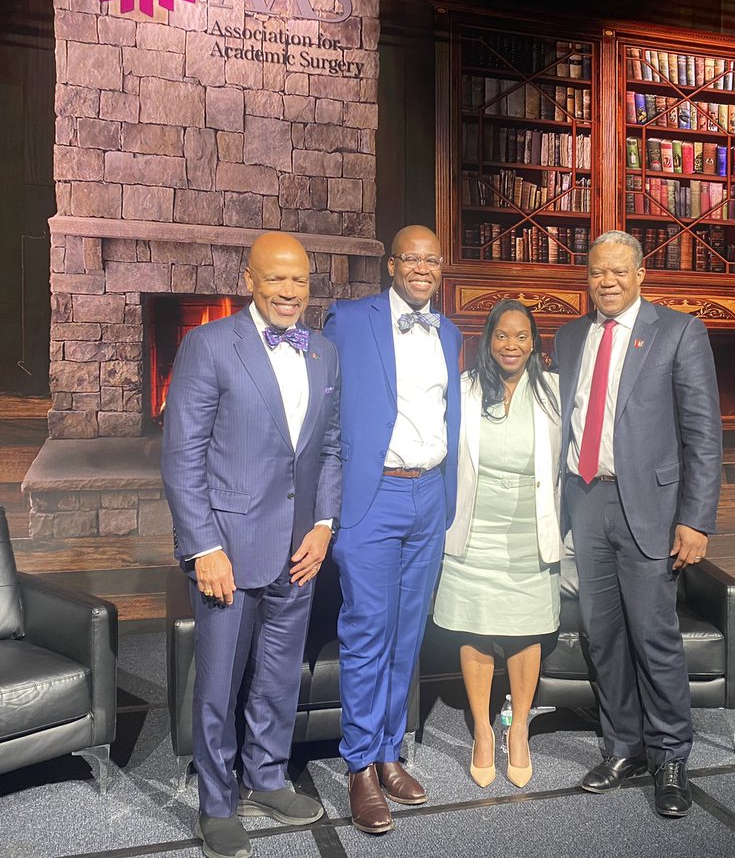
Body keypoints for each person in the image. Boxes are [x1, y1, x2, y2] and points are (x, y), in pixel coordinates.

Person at [161, 232, 342, 858]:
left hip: (299, 551)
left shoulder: (324, 353)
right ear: (250, 279)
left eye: (299, 280)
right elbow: (181, 456)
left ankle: (266, 778)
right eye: (277, 279)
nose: (290, 291)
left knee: (276, 677)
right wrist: (202, 546)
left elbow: (331, 449)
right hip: (228, 553)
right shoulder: (208, 345)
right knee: (218, 683)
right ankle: (217, 801)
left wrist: (324, 526)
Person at [554, 230, 722, 818]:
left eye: (618, 271)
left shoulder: (679, 331)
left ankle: (671, 755)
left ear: (641, 273)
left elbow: (703, 433)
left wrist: (696, 520)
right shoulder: (570, 335)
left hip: (649, 509)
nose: (606, 281)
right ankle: (623, 744)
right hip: (587, 500)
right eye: (597, 272)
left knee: (654, 636)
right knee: (602, 635)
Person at [323, 224, 462, 835]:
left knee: (408, 635)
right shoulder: (348, 321)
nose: (422, 268)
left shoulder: (451, 332)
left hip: (429, 494)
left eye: (432, 260)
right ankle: (357, 767)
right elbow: (323, 408)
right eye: (411, 259)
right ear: (392, 266)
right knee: (368, 631)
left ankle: (387, 751)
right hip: (372, 494)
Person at [434, 299, 562, 789]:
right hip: (475, 525)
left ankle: (521, 727)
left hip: (532, 526)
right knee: (476, 625)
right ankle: (484, 731)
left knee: (526, 628)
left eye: (522, 336)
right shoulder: (464, 389)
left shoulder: (553, 389)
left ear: (534, 342)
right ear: (488, 340)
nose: (512, 345)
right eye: (502, 336)